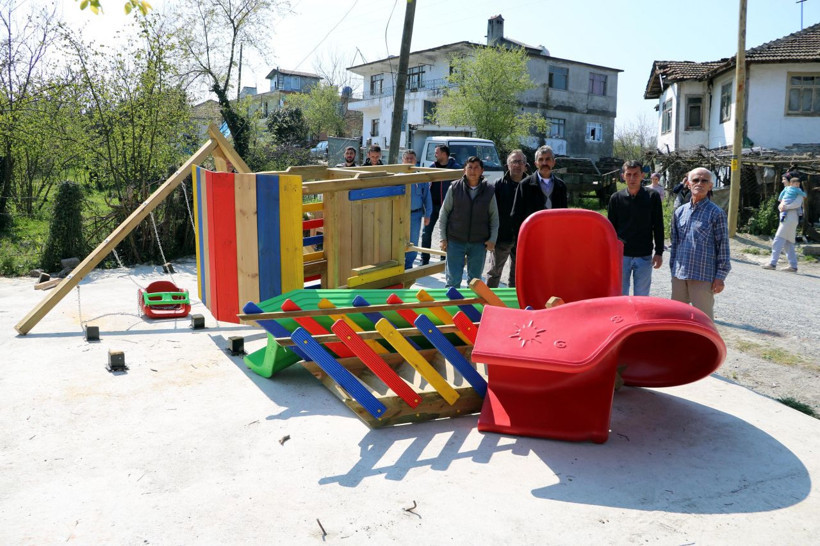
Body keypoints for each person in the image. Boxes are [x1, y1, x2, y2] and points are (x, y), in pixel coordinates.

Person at [669, 167, 731, 320]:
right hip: (680, 275)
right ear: (688, 184)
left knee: (703, 320)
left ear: (710, 186)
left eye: (704, 181)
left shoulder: (716, 213)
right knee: (676, 318)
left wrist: (720, 276)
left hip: (703, 276)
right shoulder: (680, 212)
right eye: (696, 180)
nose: (700, 183)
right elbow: (675, 244)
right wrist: (673, 270)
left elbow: (723, 246)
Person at [438, 156, 499, 288]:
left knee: (475, 282)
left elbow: (494, 218)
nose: (473, 171)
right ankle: (452, 307)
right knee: (453, 280)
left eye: (476, 167)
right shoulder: (454, 188)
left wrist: (492, 239)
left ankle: (471, 308)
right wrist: (443, 238)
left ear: (482, 170)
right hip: (455, 241)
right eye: (469, 167)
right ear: (464, 170)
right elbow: (444, 214)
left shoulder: (489, 190)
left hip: (478, 243)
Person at [607, 160, 664, 296]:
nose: (632, 178)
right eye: (629, 174)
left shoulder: (652, 196)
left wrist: (659, 252)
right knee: (620, 296)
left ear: (642, 175)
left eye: (635, 174)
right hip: (622, 255)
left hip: (644, 255)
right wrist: (610, 254)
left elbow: (658, 225)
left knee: (642, 297)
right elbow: (610, 229)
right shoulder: (616, 198)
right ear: (623, 176)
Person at [485, 149, 527, 288]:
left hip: (523, 238)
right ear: (508, 165)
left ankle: (514, 303)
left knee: (518, 274)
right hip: (502, 237)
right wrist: (491, 235)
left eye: (521, 162)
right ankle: (489, 303)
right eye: (514, 161)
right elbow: (490, 212)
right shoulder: (498, 184)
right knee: (494, 272)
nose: (518, 165)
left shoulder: (531, 185)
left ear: (525, 165)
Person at [511, 145, 567, 237]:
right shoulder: (525, 185)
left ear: (553, 162)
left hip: (555, 236)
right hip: (533, 237)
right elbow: (516, 216)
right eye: (541, 160)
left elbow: (564, 215)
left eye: (548, 159)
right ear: (536, 163)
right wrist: (523, 238)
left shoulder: (561, 186)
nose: (544, 163)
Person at [421, 145, 461, 265]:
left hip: (448, 208)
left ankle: (444, 260)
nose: (435, 155)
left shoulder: (455, 169)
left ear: (444, 154)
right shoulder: (432, 167)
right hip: (432, 207)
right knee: (426, 233)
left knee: (446, 234)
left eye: (437, 153)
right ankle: (425, 259)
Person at [763, 175, 805, 272]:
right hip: (787, 218)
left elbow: (797, 204)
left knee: (778, 240)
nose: (782, 181)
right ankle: (793, 265)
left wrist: (785, 207)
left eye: (784, 179)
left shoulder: (798, 192)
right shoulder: (787, 192)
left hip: (790, 218)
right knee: (788, 242)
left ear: (790, 181)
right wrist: (782, 206)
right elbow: (781, 204)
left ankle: (772, 263)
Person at [402, 150, 432, 269]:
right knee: (398, 240)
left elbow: (427, 197)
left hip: (415, 215)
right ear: (403, 160)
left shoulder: (421, 177)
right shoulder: (397, 177)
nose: (409, 161)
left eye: (412, 159)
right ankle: (399, 265)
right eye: (407, 158)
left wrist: (428, 215)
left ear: (416, 160)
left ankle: (408, 266)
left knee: (413, 241)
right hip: (399, 215)